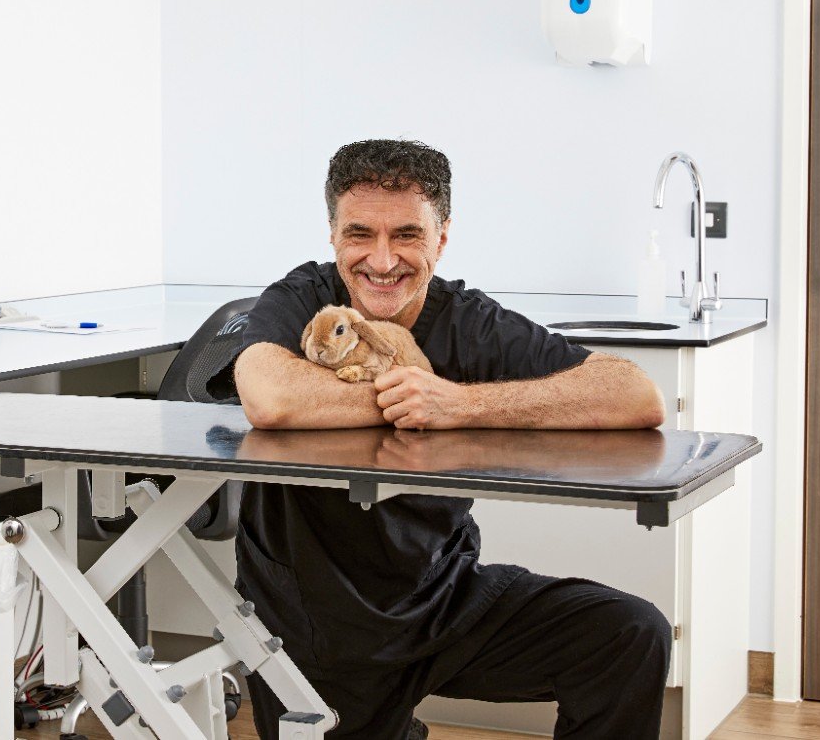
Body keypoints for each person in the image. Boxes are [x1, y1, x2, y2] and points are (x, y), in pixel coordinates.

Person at [223, 139, 672, 740]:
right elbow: (271, 397)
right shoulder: (303, 297)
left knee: (629, 635)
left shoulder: (472, 322)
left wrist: (462, 403)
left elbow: (635, 395)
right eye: (361, 234)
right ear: (333, 236)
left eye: (407, 235)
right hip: (318, 625)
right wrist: (410, 401)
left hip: (443, 596)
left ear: (442, 237)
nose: (382, 261)